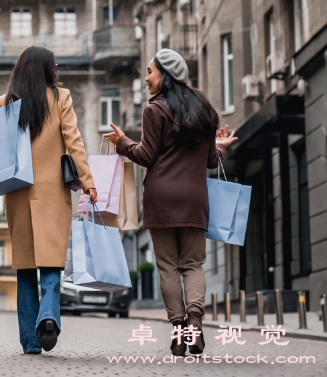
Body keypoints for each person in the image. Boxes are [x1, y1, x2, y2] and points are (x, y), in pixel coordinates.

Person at [104, 48, 237, 356]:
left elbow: (147, 155)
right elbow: (209, 160)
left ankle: (179, 332)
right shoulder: (204, 109)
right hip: (194, 199)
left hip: (161, 198)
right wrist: (221, 146)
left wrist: (122, 143)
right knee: (192, 264)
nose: (146, 77)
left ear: (165, 75)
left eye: (150, 71)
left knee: (167, 267)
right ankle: (194, 319)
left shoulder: (154, 111)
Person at [0, 46, 97, 354]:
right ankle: (49, 316)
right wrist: (88, 182)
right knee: (51, 262)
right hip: (53, 194)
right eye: (54, 65)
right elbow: (74, 142)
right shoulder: (60, 97)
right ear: (46, 69)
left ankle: (30, 341)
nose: (57, 70)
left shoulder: (6, 103)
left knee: (25, 267)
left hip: (18, 194)